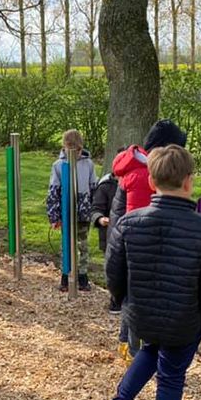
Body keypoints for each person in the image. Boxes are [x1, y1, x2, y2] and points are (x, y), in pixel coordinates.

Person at [98, 145, 201, 400]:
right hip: (183, 320)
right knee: (170, 378)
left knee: (150, 351)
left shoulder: (129, 223)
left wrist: (127, 305)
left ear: (151, 181)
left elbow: (114, 274)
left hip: (143, 315)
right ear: (189, 182)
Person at [109, 119, 187, 360]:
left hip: (130, 240)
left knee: (134, 295)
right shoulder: (144, 174)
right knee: (137, 298)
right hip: (138, 245)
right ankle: (133, 352)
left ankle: (127, 343)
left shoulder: (139, 167)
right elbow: (144, 217)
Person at [47, 129, 98, 292]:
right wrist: (54, 216)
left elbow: (93, 188)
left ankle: (83, 276)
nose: (75, 153)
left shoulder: (88, 164)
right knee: (66, 245)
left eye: (77, 150)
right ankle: (66, 275)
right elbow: (53, 191)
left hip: (83, 212)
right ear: (64, 148)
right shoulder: (58, 166)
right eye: (71, 150)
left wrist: (94, 209)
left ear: (81, 148)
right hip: (66, 212)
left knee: (82, 244)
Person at [90, 148, 123, 311]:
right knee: (113, 269)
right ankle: (115, 299)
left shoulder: (136, 185)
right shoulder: (105, 186)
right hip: (110, 235)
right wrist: (100, 219)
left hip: (128, 234)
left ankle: (125, 300)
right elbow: (95, 209)